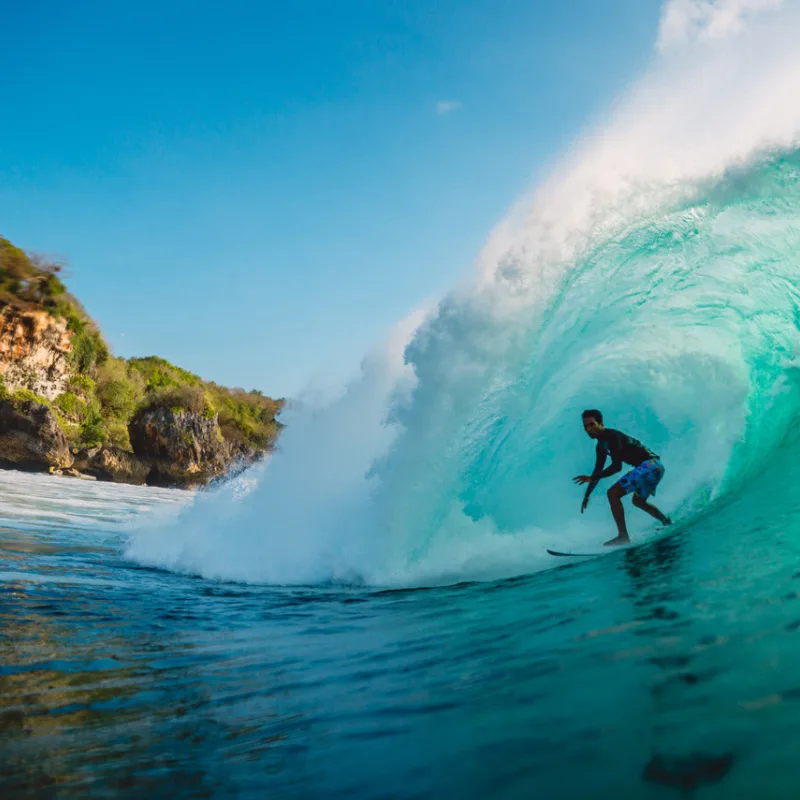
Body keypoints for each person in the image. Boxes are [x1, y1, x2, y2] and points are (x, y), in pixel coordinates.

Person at [573, 409, 671, 546]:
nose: (588, 429)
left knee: (613, 494)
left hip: (649, 465)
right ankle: (666, 522)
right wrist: (587, 495)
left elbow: (616, 466)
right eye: (585, 426)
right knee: (638, 501)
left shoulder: (612, 436)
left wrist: (591, 477)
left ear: (601, 423)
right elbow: (598, 470)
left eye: (592, 424)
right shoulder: (600, 446)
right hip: (655, 468)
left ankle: (623, 537)